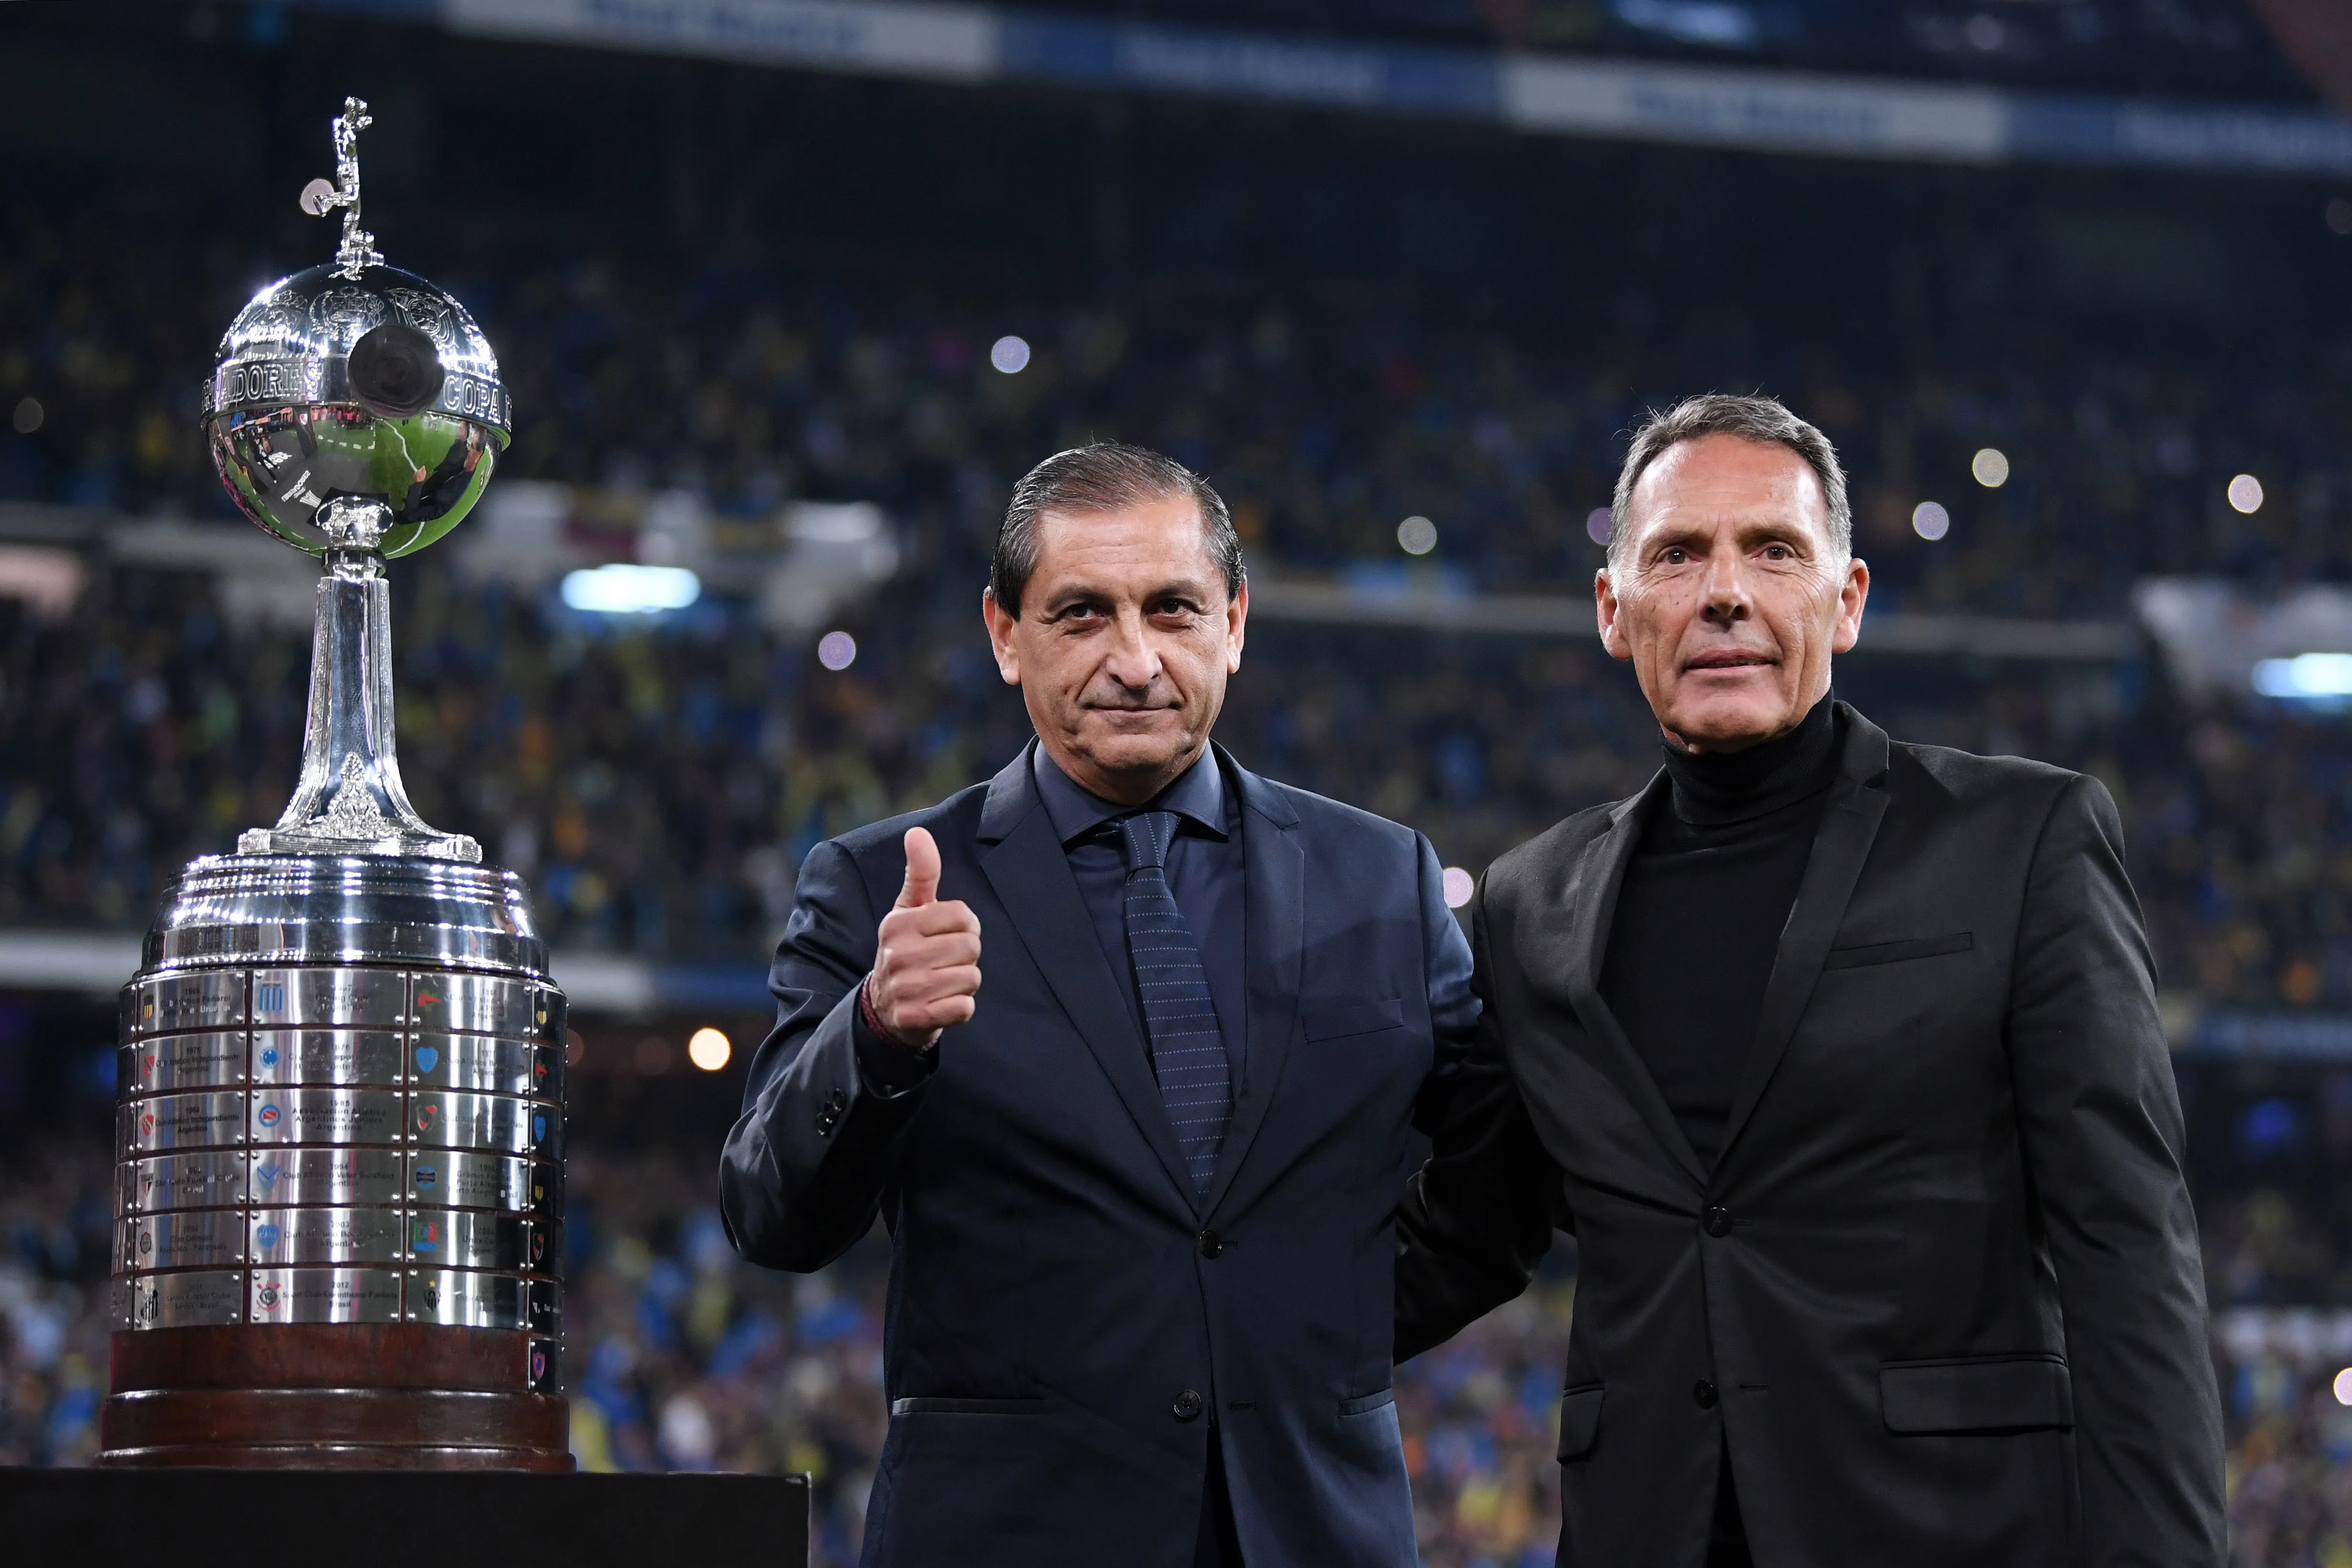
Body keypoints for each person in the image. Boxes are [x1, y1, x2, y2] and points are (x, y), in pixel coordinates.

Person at [1393, 394, 2225, 1567]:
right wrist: (1161, 1318)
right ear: (1612, 611)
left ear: (1847, 602)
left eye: (1774, 551)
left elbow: (2128, 1248)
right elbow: (1464, 1237)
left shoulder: (2020, 840)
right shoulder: (1534, 905)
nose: (1724, 591)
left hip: (1953, 1537)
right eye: (1678, 554)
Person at [721, 441, 1478, 1567]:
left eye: (1173, 610)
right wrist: (877, 1034)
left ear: (1233, 623)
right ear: (1004, 635)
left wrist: (1324, 1323)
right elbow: (770, 1215)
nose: (1136, 661)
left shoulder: (1384, 877)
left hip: (1313, 1532)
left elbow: (1492, 1171)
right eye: (1082, 615)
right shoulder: (881, 884)